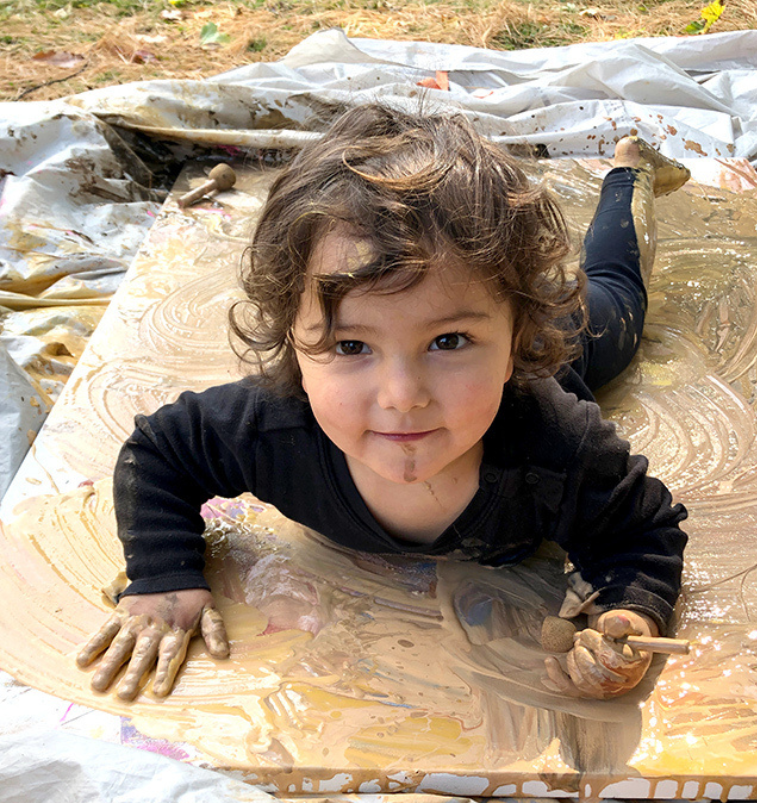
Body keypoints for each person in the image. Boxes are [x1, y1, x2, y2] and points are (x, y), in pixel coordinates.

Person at [77, 103, 689, 703]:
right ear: (293, 341)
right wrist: (162, 575)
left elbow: (642, 533)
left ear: (513, 345)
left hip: (570, 338)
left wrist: (629, 614)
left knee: (613, 292)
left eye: (448, 341)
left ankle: (627, 173)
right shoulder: (268, 428)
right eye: (351, 344)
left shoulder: (561, 446)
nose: (403, 398)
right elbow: (159, 451)